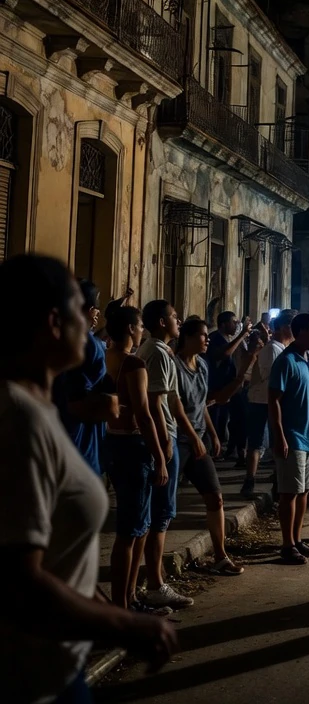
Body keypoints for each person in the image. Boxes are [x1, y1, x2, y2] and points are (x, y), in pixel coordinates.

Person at [0, 255, 177, 704]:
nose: (96, 322)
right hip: (27, 677)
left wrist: (103, 608)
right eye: (86, 310)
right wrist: (123, 624)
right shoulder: (18, 420)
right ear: (55, 322)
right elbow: (18, 578)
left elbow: (64, 558)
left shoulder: (41, 409)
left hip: (56, 668)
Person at [103, 305, 168, 613]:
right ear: (130, 329)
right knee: (131, 529)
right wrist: (160, 456)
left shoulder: (105, 357)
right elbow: (144, 415)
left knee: (132, 527)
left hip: (111, 444)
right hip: (133, 447)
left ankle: (127, 598)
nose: (142, 330)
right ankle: (123, 603)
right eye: (140, 326)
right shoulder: (134, 364)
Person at [175, 318, 246, 575]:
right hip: (177, 441)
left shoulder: (202, 366)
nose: (207, 340)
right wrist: (193, 436)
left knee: (215, 497)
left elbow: (204, 403)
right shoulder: (174, 365)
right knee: (164, 505)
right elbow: (176, 407)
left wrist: (213, 434)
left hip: (198, 439)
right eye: (203, 335)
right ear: (189, 338)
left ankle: (220, 555)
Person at [138, 299, 195, 611]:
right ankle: (155, 583)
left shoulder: (158, 351)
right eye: (174, 316)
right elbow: (156, 401)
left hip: (168, 434)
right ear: (162, 322)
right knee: (160, 514)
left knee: (157, 512)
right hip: (164, 437)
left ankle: (150, 580)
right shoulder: (157, 352)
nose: (178, 319)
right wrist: (166, 443)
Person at [269, 312, 309, 565]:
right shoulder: (286, 361)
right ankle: (287, 544)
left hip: (308, 436)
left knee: (304, 491)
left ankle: (297, 539)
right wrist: (279, 435)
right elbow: (274, 401)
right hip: (292, 436)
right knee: (289, 492)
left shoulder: (308, 359)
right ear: (299, 332)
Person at [52, 278, 115, 475]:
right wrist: (111, 404)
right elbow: (79, 404)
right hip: (80, 446)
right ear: (89, 310)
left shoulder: (48, 336)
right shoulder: (87, 344)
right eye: (97, 308)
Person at [241, 309, 293, 498]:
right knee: (257, 442)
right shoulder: (273, 349)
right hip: (261, 401)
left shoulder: (285, 349)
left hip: (274, 402)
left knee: (274, 442)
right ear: (285, 328)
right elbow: (267, 378)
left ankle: (277, 478)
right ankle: (250, 479)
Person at [204, 311, 255, 460]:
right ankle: (212, 452)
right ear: (224, 324)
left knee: (235, 419)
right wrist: (242, 335)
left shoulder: (228, 339)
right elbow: (225, 353)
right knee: (216, 421)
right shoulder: (215, 338)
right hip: (217, 388)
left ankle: (233, 449)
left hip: (231, 387)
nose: (237, 325)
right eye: (234, 322)